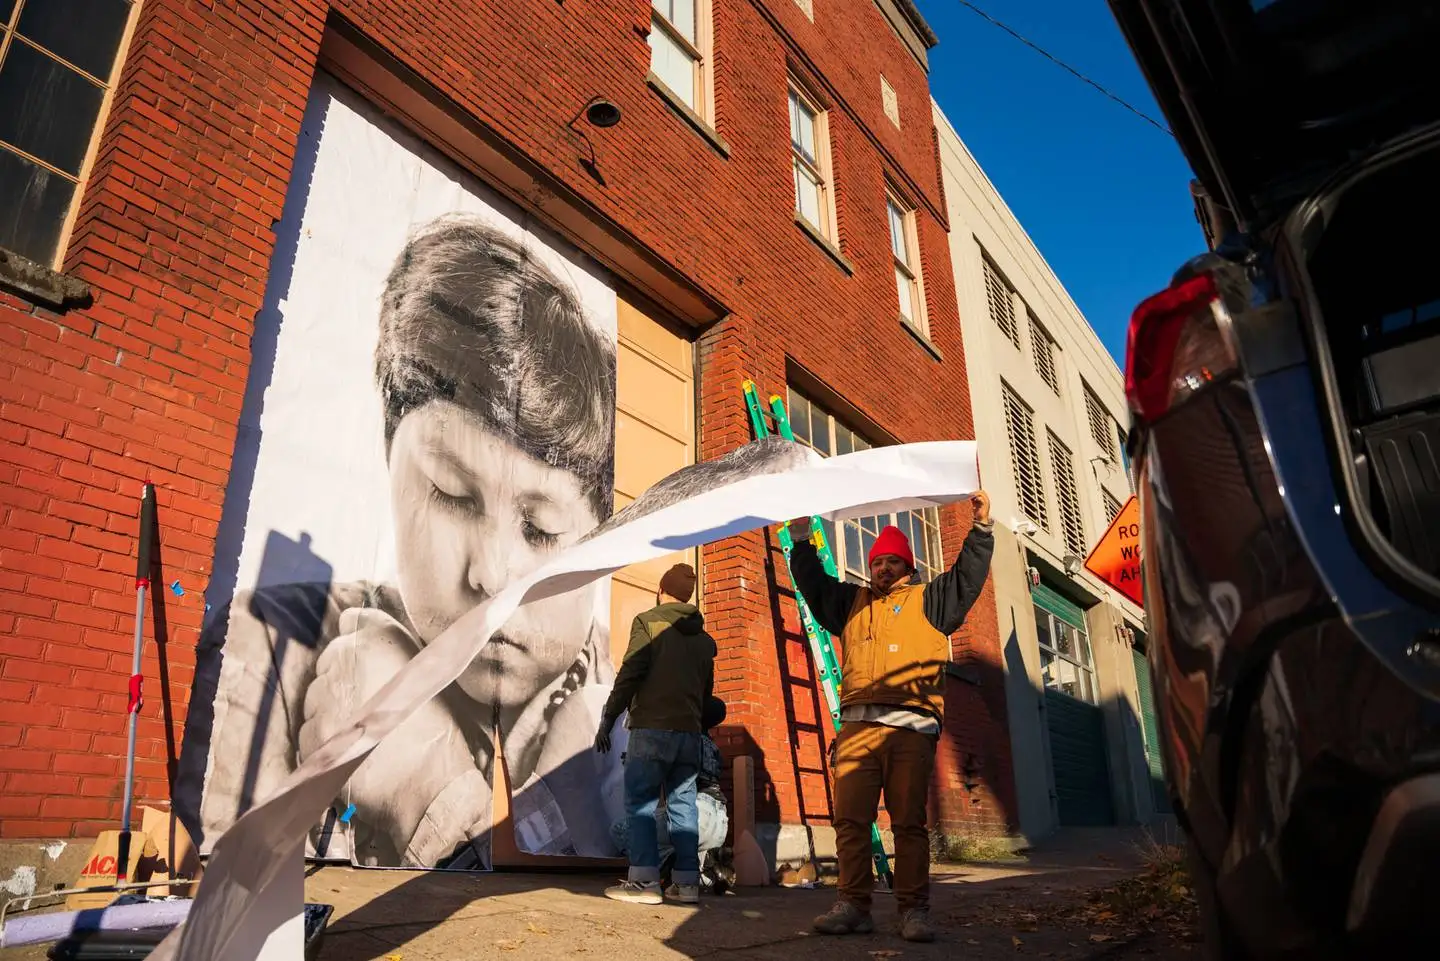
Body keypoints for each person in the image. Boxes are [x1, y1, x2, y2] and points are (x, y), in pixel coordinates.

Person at [177, 215, 626, 868]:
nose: (493, 573)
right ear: (391, 466)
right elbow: (239, 902)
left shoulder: (626, 699)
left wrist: (420, 772)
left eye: (542, 529)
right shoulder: (276, 643)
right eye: (450, 490)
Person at [788, 492, 994, 943]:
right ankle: (854, 905)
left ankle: (914, 911)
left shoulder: (931, 601)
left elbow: (967, 577)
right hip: (859, 730)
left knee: (908, 824)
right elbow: (813, 584)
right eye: (877, 561)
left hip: (911, 730)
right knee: (851, 820)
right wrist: (801, 536)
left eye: (892, 562)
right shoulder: (850, 603)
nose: (882, 568)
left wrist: (980, 529)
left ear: (909, 568)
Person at [595, 563, 717, 905]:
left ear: (662, 591)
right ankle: (687, 883)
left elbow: (630, 674)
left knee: (641, 804)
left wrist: (608, 718)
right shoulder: (705, 641)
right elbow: (707, 693)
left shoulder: (648, 623)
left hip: (652, 729)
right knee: (683, 805)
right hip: (689, 735)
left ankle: (645, 882)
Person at [609, 695, 732, 893]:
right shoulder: (712, 746)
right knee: (689, 872)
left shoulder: (683, 741)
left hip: (698, 814)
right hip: (720, 822)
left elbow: (654, 777)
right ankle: (707, 869)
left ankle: (660, 869)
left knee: (620, 830)